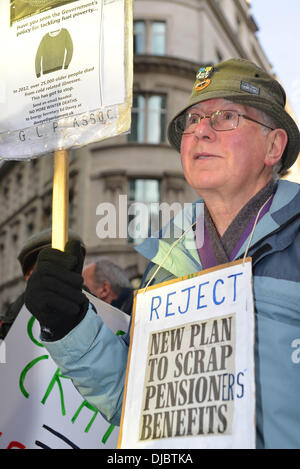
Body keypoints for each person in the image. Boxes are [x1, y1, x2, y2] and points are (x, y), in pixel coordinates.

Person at [24, 58, 300, 448]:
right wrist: (70, 324)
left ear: (273, 145)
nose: (200, 130)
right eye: (193, 120)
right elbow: (138, 402)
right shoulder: (166, 260)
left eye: (226, 117)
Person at [0, 228, 84, 339]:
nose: (62, 275)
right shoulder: (8, 329)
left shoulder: (98, 318)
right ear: (29, 275)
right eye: (51, 268)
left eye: (71, 266)